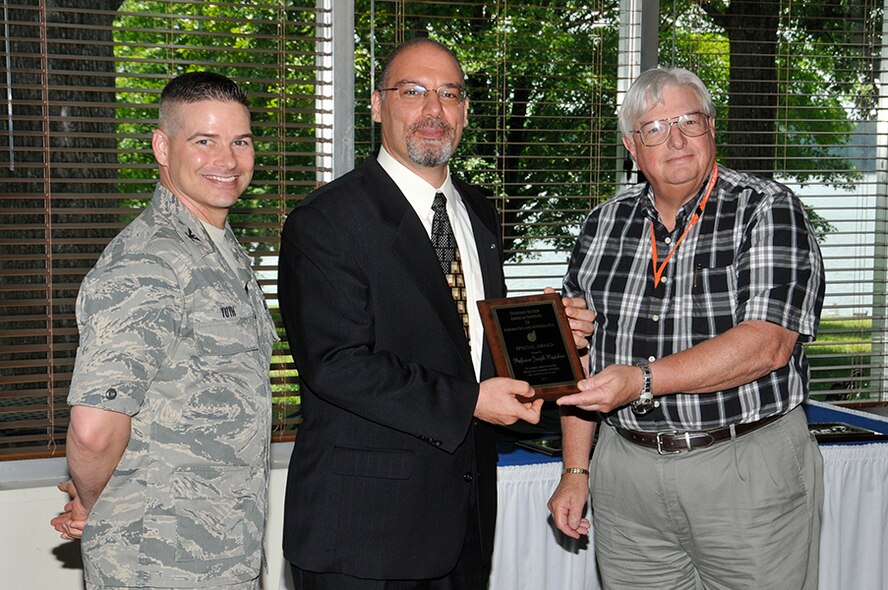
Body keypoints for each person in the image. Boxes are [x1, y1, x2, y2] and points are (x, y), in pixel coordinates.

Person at [277, 38, 594, 589]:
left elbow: (464, 342)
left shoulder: (479, 211)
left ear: (465, 112)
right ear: (378, 105)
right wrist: (472, 400)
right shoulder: (326, 221)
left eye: (449, 94)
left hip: (465, 519)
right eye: (414, 92)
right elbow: (336, 364)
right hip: (364, 532)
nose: (433, 110)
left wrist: (547, 336)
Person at [548, 67, 825, 590]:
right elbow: (577, 355)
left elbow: (768, 345)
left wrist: (643, 380)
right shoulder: (603, 223)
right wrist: (575, 471)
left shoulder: (767, 209)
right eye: (654, 128)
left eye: (689, 122)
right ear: (632, 146)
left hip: (746, 467)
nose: (675, 140)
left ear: (712, 129)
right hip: (625, 473)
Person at [49, 71, 277, 590]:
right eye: (204, 141)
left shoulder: (221, 252)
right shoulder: (147, 263)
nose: (227, 160)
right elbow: (93, 427)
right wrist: (89, 501)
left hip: (224, 552)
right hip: (157, 560)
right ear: (161, 146)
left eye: (240, 141)